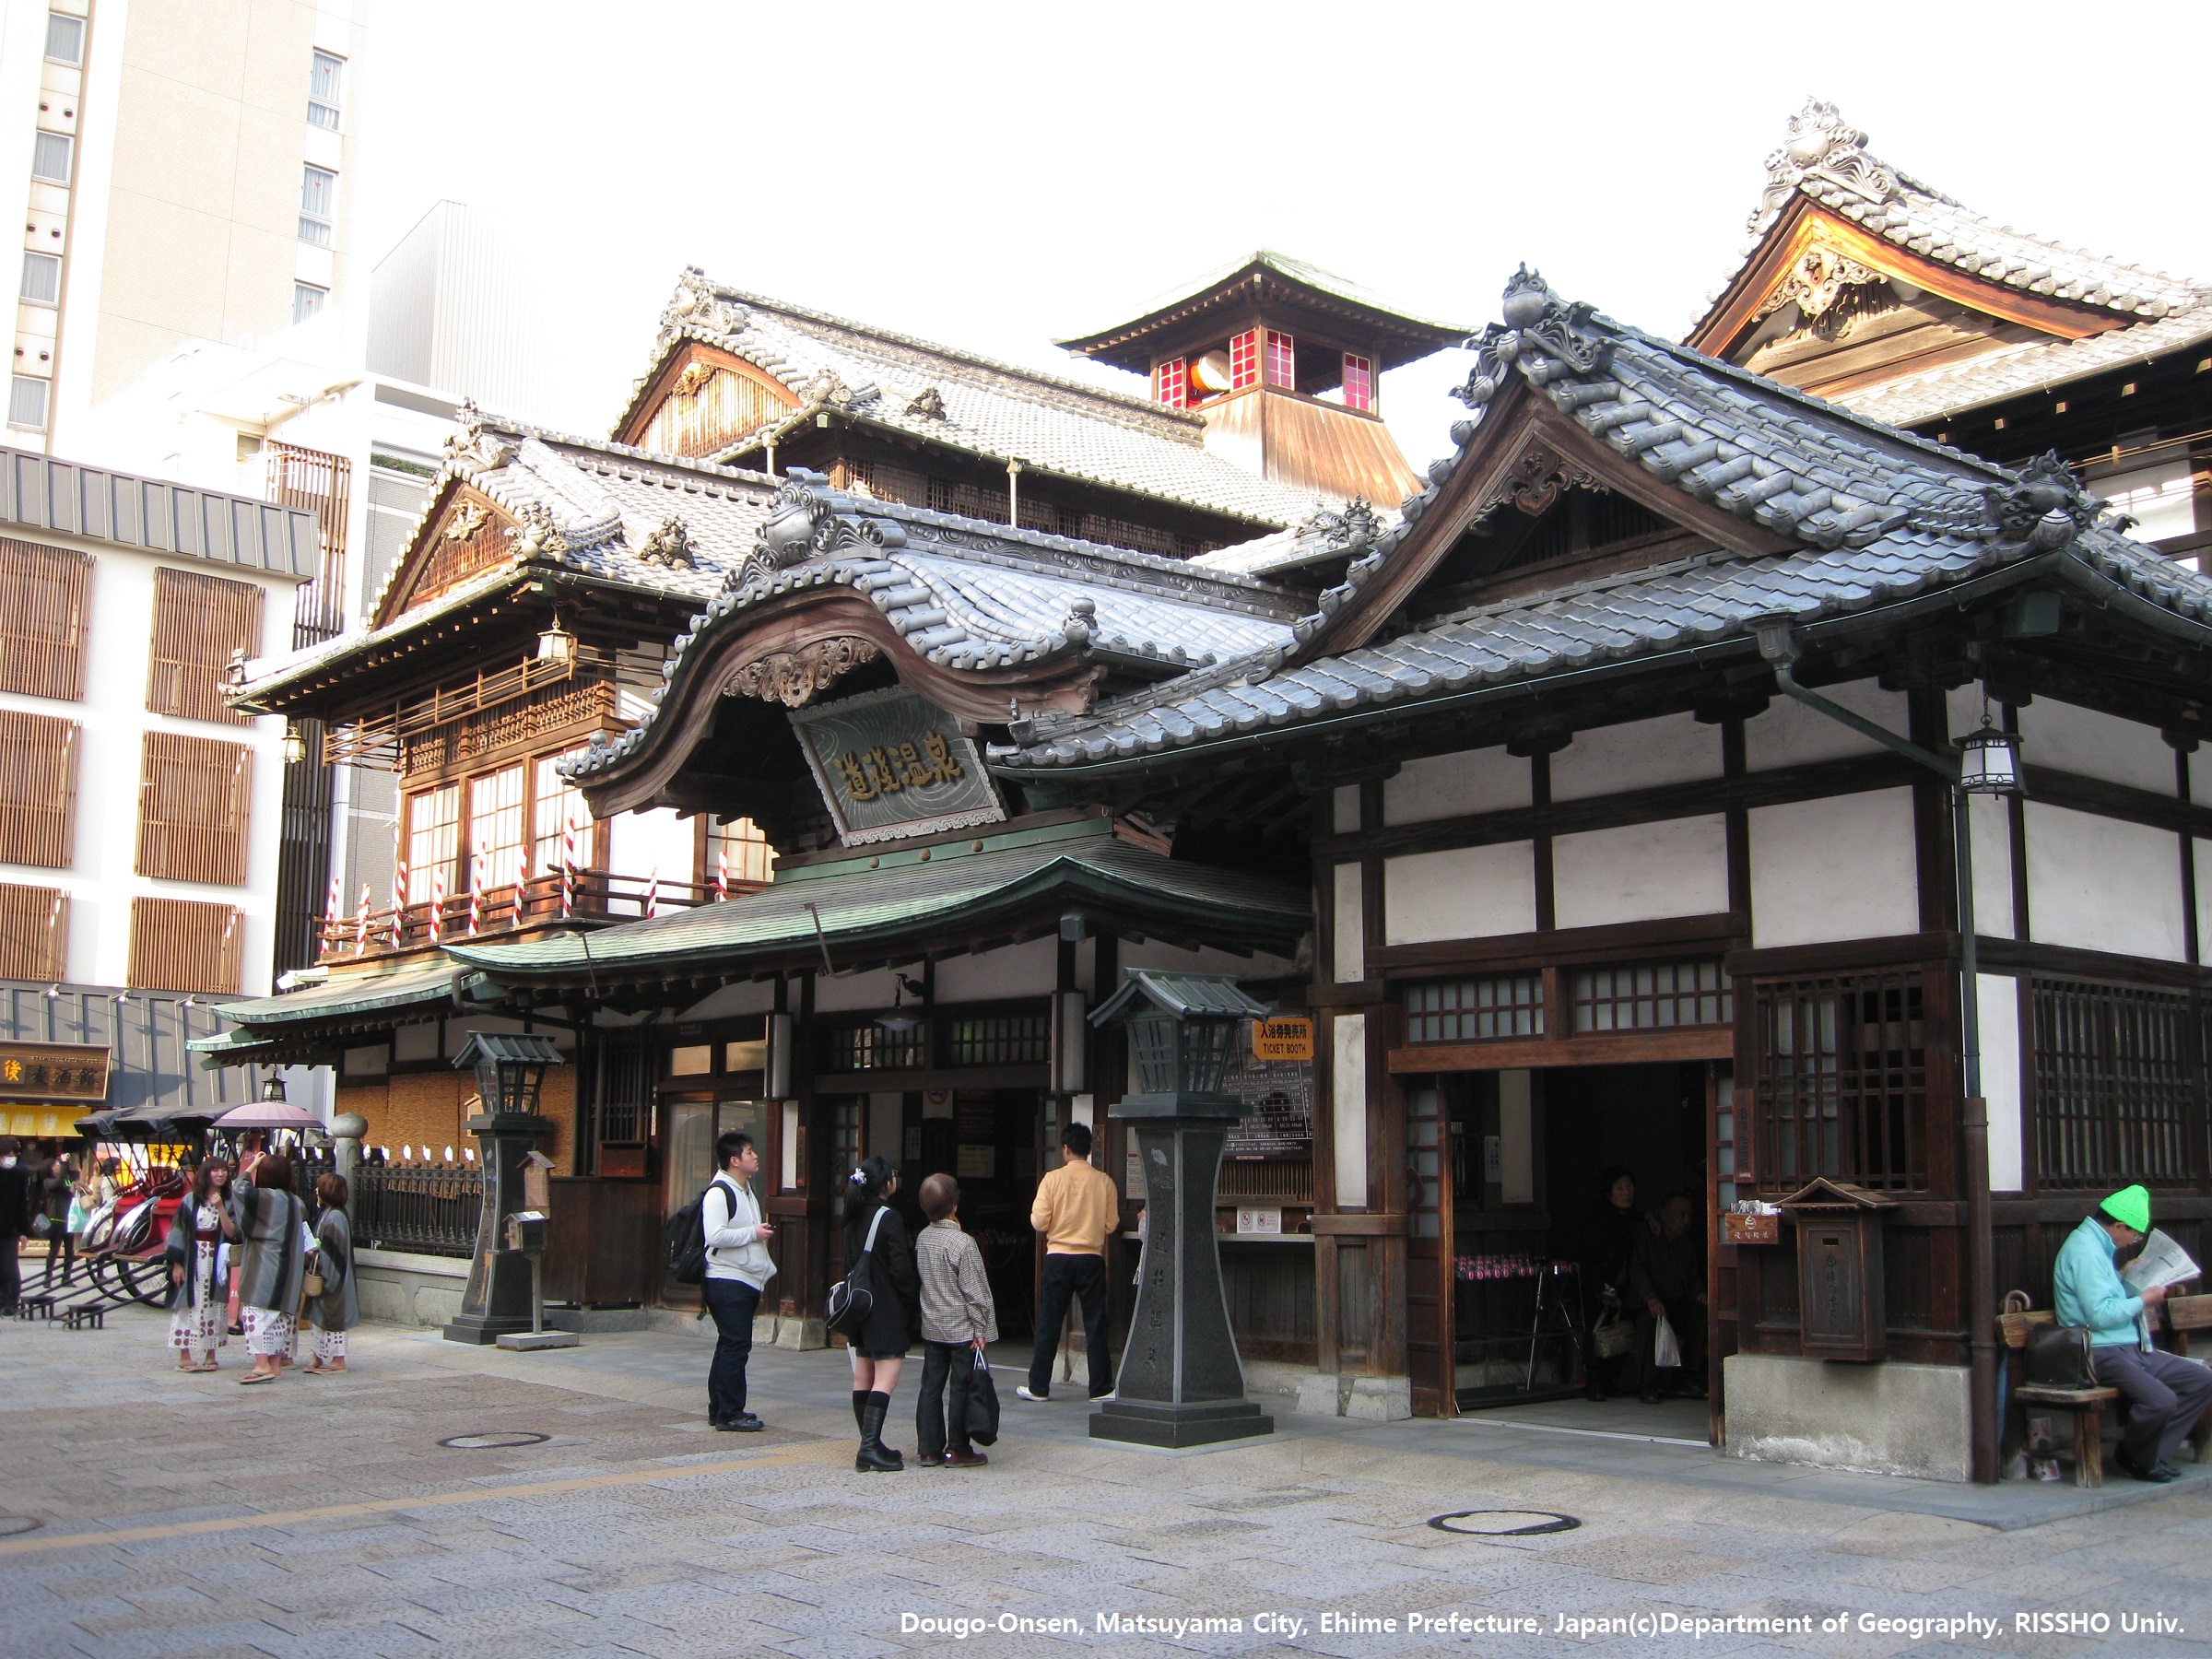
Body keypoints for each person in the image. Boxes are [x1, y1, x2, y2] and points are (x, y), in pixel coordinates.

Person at [2053, 1183, 2212, 1483]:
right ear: (2118, 1225)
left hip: (2129, 1345)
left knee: (2201, 1379)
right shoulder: (2085, 1251)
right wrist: (2144, 1300)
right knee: (2161, 1400)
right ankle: (2135, 1456)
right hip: (2099, 1351)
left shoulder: (2098, 1247)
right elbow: (2099, 1315)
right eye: (2134, 1235)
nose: (2133, 1241)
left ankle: (2152, 1456)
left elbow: (2106, 1297)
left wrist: (2125, 1275)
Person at [1020, 1121, 1118, 1404]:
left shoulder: (1051, 1180)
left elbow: (1038, 1221)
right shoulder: (1104, 1182)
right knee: (1096, 1323)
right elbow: (1111, 1225)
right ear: (1088, 1150)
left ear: (1065, 1149)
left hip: (1059, 1258)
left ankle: (1039, 1386)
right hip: (1091, 1258)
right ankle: (1100, 1387)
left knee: (1050, 1323)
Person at [913, 1172, 997, 1468]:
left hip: (933, 1324)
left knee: (931, 1385)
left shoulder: (923, 1238)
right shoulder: (963, 1243)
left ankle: (928, 1448)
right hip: (961, 1328)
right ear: (953, 1205)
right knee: (961, 1385)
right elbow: (975, 1293)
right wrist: (980, 1329)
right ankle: (958, 1447)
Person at [842, 1154, 919, 1472]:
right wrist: (910, 1300)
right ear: (887, 1183)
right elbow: (900, 1268)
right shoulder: (889, 1217)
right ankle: (869, 1447)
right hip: (885, 1308)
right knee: (886, 1378)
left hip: (860, 1307)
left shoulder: (853, 1214)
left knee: (863, 1375)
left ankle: (869, 1443)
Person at [700, 1129, 775, 1431]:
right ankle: (730, 1412)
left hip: (743, 1278)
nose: (755, 1156)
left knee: (729, 1345)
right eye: (748, 1152)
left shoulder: (744, 1188)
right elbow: (714, 1235)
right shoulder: (721, 1191)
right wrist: (753, 1233)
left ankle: (719, 1409)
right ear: (734, 1160)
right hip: (727, 1279)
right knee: (736, 1346)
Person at [230, 1151, 308, 1384]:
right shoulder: (296, 1202)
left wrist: (251, 1166)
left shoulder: (267, 1198)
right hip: (290, 1268)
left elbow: (239, 1190)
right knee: (279, 1318)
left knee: (257, 1314)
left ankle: (262, 1364)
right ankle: (275, 1364)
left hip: (266, 1265)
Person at [1581, 1165, 1651, 1402]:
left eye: (1629, 1186)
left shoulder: (1633, 1218)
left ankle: (1611, 1379)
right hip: (1599, 1282)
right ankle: (1594, 1381)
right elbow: (1590, 1257)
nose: (1626, 1192)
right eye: (1620, 1188)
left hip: (1623, 1283)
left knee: (1620, 1330)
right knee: (1597, 1329)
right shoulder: (1598, 1219)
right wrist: (1601, 1286)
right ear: (1609, 1192)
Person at [1630, 1193, 1707, 1403]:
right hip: (1652, 1302)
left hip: (1678, 1302)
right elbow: (1637, 1270)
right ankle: (1647, 1384)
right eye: (1680, 1215)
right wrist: (1650, 1297)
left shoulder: (1686, 1244)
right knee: (1649, 1321)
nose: (1686, 1221)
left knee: (1701, 1313)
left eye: (1688, 1215)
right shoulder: (1648, 1236)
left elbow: (1693, 1277)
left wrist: (1700, 1293)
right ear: (1664, 1215)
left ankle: (1690, 1374)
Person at [166, 1160, 236, 1372]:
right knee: (189, 1304)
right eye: (215, 1170)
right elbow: (178, 1230)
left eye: (223, 1170)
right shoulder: (190, 1200)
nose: (220, 1174)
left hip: (215, 1258)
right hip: (192, 1257)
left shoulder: (229, 1201)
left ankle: (210, 1353)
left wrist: (220, 1208)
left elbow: (232, 1232)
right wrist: (177, 1264)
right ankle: (185, 1354)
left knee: (214, 1304)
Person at [303, 1172, 357, 1374]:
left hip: (335, 1277)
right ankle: (317, 1355)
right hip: (326, 1271)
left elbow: (333, 1252)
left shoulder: (335, 1217)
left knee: (334, 1317)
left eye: (320, 1187)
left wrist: (312, 1254)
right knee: (319, 1317)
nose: (316, 1191)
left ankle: (337, 1360)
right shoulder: (329, 1212)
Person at [0, 1135, 30, 1313]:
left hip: (9, 1228)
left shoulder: (18, 1174)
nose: (12, 1158)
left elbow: (21, 1205)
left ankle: (11, 1301)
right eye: (9, 1154)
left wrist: (23, 1231)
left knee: (8, 1267)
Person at [38, 1149, 76, 1288]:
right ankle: (48, 1277)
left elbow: (68, 1185)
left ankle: (67, 1277)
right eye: (55, 1164)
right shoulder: (48, 1182)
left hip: (69, 1218)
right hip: (56, 1219)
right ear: (49, 1169)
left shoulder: (65, 1178)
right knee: (54, 1249)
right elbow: (59, 1181)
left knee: (70, 1251)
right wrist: (65, 1164)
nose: (58, 1165)